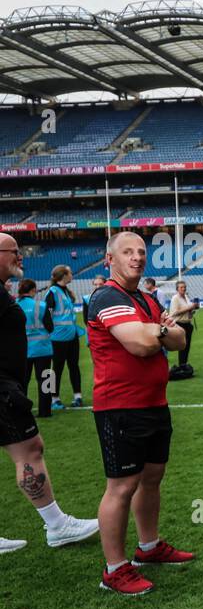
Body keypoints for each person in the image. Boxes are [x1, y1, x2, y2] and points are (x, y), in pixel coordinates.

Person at [86, 232, 194, 595]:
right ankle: (114, 569)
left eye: (141, 252)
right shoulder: (106, 296)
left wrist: (159, 331)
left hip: (154, 404)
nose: (137, 257)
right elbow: (139, 343)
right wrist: (162, 330)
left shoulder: (146, 298)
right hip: (120, 407)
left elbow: (179, 340)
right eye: (127, 252)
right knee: (121, 486)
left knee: (151, 478)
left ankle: (147, 548)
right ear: (109, 260)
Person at [0, 233, 99, 555]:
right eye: (15, 251)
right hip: (16, 374)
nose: (22, 257)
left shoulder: (11, 293)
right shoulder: (46, 297)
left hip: (31, 361)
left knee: (59, 376)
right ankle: (57, 525)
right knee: (31, 447)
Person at [45, 266, 83, 409]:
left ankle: (78, 397)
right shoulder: (52, 292)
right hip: (58, 337)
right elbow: (47, 315)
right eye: (70, 272)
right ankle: (54, 399)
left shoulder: (66, 291)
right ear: (64, 275)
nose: (72, 275)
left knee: (74, 366)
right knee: (56, 369)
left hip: (72, 335)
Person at [18, 279, 54, 419]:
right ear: (32, 290)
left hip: (23, 350)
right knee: (46, 380)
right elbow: (50, 327)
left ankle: (21, 411)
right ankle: (46, 411)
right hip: (43, 348)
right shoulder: (41, 305)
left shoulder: (15, 305)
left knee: (22, 382)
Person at [168, 280, 199, 371]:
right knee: (183, 345)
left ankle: (184, 364)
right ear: (177, 289)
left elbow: (188, 311)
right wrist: (189, 307)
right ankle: (182, 365)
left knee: (187, 345)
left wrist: (193, 309)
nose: (183, 289)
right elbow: (174, 312)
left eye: (184, 287)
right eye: (181, 287)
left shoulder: (186, 297)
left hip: (187, 323)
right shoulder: (175, 298)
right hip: (179, 324)